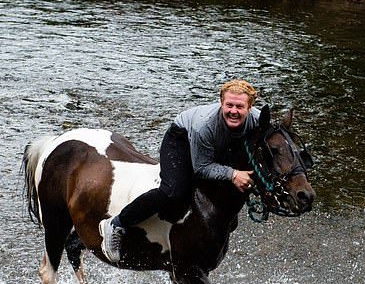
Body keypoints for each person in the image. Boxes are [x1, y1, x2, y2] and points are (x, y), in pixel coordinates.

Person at [99, 79, 262, 263]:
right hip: (181, 139)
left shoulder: (258, 121)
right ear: (221, 103)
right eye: (229, 105)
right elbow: (202, 168)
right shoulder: (204, 125)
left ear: (250, 108)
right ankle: (117, 223)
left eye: (239, 106)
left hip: (217, 143)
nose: (233, 111)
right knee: (173, 191)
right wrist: (233, 174)